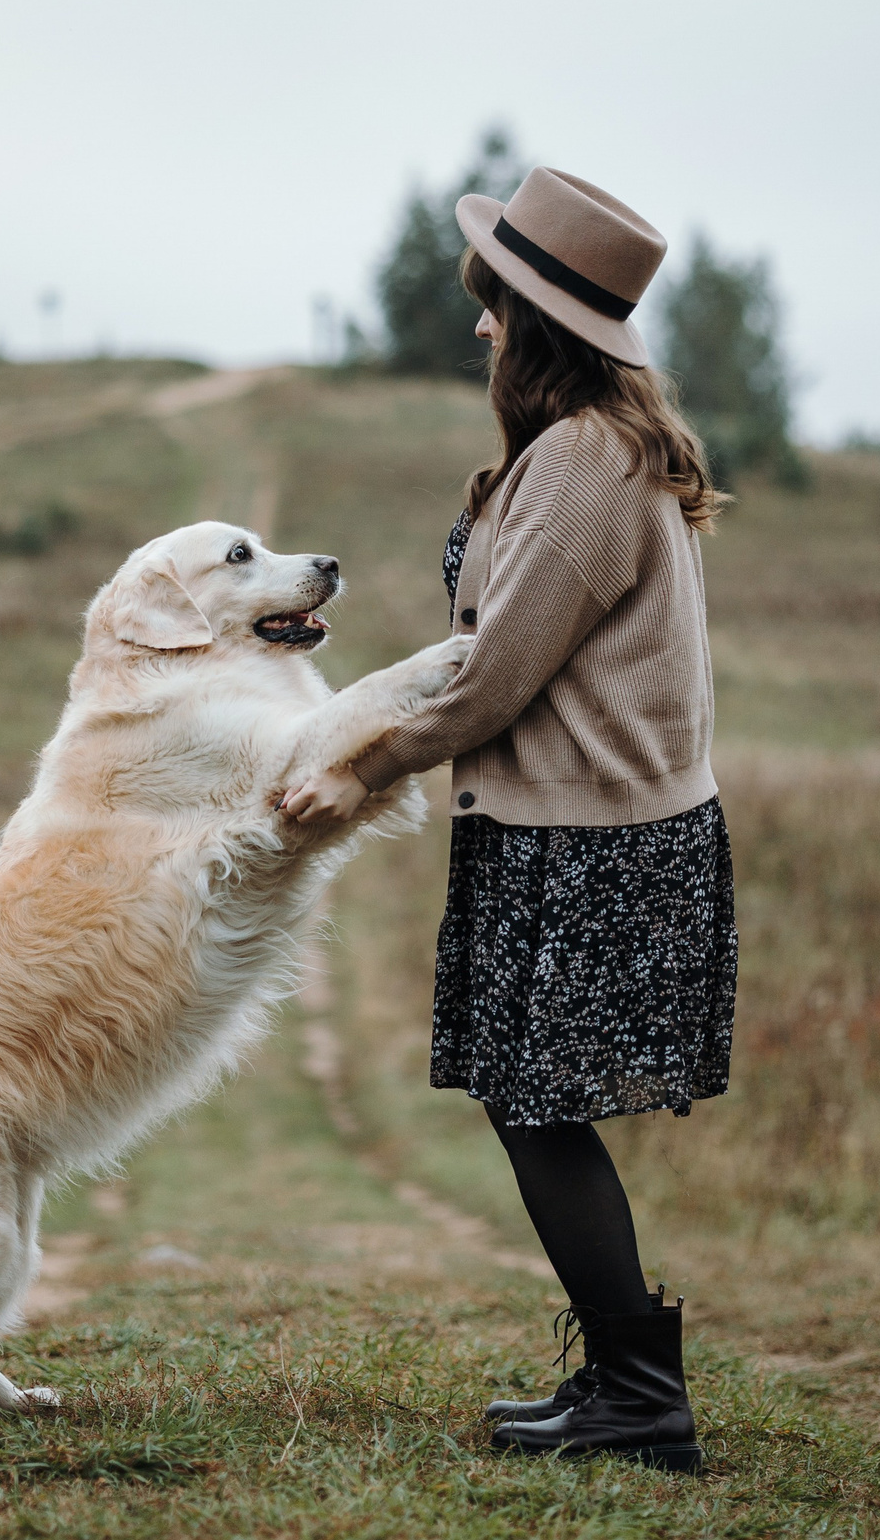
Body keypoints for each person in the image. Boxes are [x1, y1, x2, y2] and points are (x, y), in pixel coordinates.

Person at [280, 167, 737, 1474]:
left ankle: (643, 1398)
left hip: (588, 843)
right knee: (530, 1103)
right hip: (570, 830)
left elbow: (492, 676)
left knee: (539, 1108)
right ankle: (623, 1382)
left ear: (539, 326)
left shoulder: (590, 463)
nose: (480, 328)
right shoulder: (580, 452)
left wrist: (361, 768)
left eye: (494, 307)